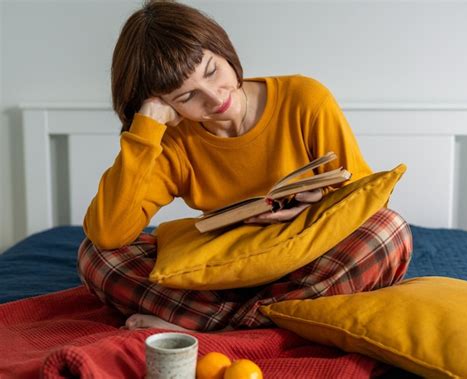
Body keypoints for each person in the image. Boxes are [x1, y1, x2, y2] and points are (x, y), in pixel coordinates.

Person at [77, 0, 412, 332]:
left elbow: (367, 201)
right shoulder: (171, 139)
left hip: (303, 258)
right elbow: (109, 233)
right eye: (186, 97)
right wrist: (145, 131)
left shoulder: (305, 98)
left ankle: (209, 328)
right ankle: (274, 319)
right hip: (223, 271)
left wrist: (320, 199)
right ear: (165, 105)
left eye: (211, 71)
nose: (214, 97)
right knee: (96, 256)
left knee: (388, 231)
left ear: (223, 49)